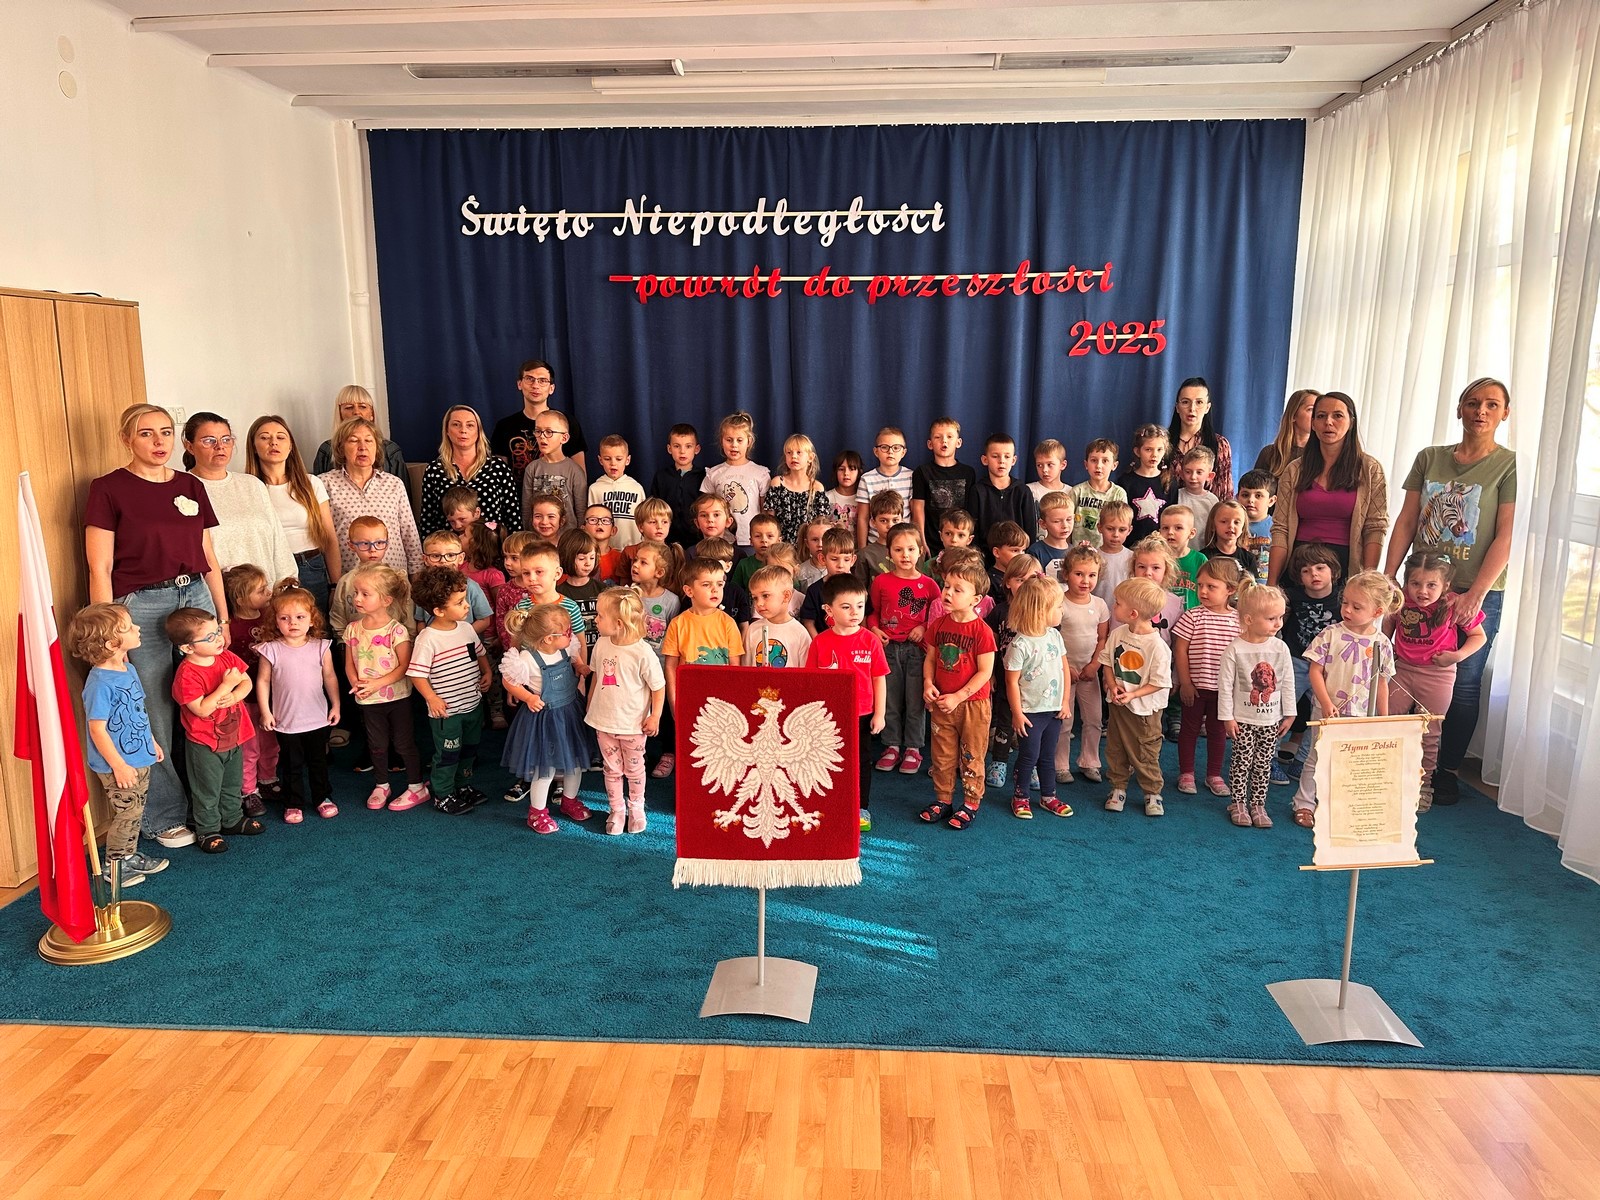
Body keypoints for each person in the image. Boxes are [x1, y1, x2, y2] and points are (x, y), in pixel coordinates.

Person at [85, 403, 230, 851]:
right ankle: (163, 815)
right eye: (146, 433)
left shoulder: (189, 485)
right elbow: (100, 566)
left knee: (209, 692)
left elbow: (208, 556)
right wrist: (109, 630)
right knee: (152, 709)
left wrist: (223, 615)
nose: (158, 441)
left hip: (195, 595)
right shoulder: (108, 488)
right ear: (126, 439)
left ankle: (214, 804)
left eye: (166, 432)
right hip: (140, 606)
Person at [1382, 376, 1516, 805]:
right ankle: (1393, 762)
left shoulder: (1509, 465)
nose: (1481, 411)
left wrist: (1476, 593)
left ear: (1504, 413)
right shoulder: (1430, 458)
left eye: (1491, 405)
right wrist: (1389, 576)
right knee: (1401, 668)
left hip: (1475, 588)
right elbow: (1407, 519)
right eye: (1473, 403)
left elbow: (1506, 534)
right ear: (1459, 409)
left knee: (1465, 681)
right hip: (1421, 582)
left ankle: (1446, 770)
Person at [67, 603, 168, 886]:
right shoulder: (99, 683)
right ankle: (115, 864)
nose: (137, 628)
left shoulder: (128, 669)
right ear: (112, 643)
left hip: (139, 756)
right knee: (128, 813)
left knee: (136, 810)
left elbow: (138, 711)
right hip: (118, 764)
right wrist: (119, 765)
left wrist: (151, 741)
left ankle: (129, 854)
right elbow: (97, 729)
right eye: (129, 627)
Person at [1291, 571, 1401, 827]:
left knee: (1349, 764)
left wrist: (1383, 718)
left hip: (1361, 715)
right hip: (1327, 710)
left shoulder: (1382, 643)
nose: (1347, 610)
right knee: (1316, 757)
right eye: (1345, 603)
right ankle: (1304, 803)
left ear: (1377, 611)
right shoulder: (1330, 634)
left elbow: (1381, 682)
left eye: (1356, 606)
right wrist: (1325, 703)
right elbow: (1315, 671)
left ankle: (1336, 807)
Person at [1386, 553, 1487, 811]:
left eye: (1431, 585)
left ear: (1445, 586)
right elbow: (1387, 628)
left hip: (1438, 676)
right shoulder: (1400, 601)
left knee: (1429, 733)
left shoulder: (1454, 605)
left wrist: (1457, 656)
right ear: (1406, 583)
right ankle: (1388, 777)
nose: (1422, 591)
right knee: (1388, 721)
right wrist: (1386, 651)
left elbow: (1479, 637)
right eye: (1415, 583)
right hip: (1402, 670)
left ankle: (1423, 785)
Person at [1268, 391, 1388, 586]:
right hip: (1299, 566)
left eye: (1337, 416)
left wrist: (1369, 580)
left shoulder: (1370, 469)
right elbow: (1281, 528)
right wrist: (1272, 583)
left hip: (1347, 567)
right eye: (1321, 416)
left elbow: (1375, 527)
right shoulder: (1294, 470)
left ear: (1351, 422)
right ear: (1313, 423)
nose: (1328, 422)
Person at [167, 607, 261, 854]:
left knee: (232, 783)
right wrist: (226, 687)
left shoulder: (226, 657)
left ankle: (232, 819)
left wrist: (235, 696)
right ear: (187, 648)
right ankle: (207, 829)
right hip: (204, 743)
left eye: (217, 631)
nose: (218, 638)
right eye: (209, 637)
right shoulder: (187, 674)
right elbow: (200, 709)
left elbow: (246, 681)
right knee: (206, 790)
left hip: (235, 736)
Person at [805, 573, 889, 832]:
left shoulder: (870, 640)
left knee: (861, 761)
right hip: (829, 716)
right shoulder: (820, 642)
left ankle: (861, 807)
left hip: (862, 713)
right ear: (829, 610)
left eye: (860, 606)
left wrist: (880, 714)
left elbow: (879, 679)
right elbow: (811, 682)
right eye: (846, 607)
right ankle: (831, 803)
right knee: (829, 760)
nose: (855, 613)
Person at [343, 563, 429, 813]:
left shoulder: (396, 630)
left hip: (397, 698)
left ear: (386, 600)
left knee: (404, 744)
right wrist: (356, 684)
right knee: (377, 745)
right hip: (368, 700)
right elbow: (349, 664)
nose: (357, 598)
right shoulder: (352, 629)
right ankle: (381, 784)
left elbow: (405, 666)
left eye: (365, 594)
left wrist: (377, 684)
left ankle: (416, 786)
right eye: (356, 593)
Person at [920, 556, 997, 830]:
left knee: (971, 755)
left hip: (972, 705)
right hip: (943, 703)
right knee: (942, 755)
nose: (948, 593)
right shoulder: (939, 625)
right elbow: (931, 658)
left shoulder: (982, 632)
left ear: (976, 599)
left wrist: (958, 696)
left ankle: (970, 803)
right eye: (947, 586)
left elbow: (984, 672)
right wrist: (928, 683)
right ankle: (943, 799)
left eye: (957, 589)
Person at [409, 567, 493, 817]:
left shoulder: (466, 629)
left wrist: (487, 672)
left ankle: (462, 785)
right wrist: (431, 698)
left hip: (472, 705)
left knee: (469, 750)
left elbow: (479, 653)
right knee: (448, 754)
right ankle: (443, 794)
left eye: (464, 599)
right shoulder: (428, 638)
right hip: (447, 713)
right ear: (438, 611)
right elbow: (417, 674)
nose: (467, 605)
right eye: (459, 602)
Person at [501, 602, 592, 834]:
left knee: (575, 763)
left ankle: (569, 800)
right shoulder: (527, 659)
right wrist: (527, 697)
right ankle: (537, 812)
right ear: (549, 639)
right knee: (546, 769)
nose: (571, 634)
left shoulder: (566, 648)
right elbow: (508, 681)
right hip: (545, 720)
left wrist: (581, 666)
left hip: (570, 714)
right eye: (567, 631)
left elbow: (575, 660)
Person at [255, 585, 340, 825]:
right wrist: (265, 712)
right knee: (291, 765)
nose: (293, 623)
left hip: (317, 719)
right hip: (286, 721)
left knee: (318, 762)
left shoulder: (321, 647)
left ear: (312, 620)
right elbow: (262, 681)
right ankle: (293, 802)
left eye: (300, 617)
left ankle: (322, 797)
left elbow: (330, 677)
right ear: (276, 621)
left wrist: (336, 705)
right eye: (285, 618)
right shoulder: (270, 650)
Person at [585, 589, 666, 835]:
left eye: (600, 616)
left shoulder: (642, 652)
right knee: (611, 769)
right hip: (604, 722)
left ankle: (637, 807)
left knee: (634, 770)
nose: (595, 620)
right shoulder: (601, 644)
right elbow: (597, 675)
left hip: (633, 725)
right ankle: (617, 809)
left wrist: (655, 716)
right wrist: (590, 702)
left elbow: (658, 686)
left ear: (618, 623)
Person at [1216, 582, 1296, 828]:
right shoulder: (1235, 649)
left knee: (1263, 763)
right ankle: (1238, 802)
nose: (1278, 623)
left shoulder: (1280, 648)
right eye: (1272, 618)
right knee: (1241, 762)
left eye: (1281, 617)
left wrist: (1290, 713)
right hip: (1242, 720)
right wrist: (1227, 717)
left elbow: (1287, 681)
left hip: (1270, 720)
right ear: (1249, 619)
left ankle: (1258, 804)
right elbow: (1225, 686)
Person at [183, 413, 296, 582]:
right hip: (217, 593)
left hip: (266, 591)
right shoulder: (183, 489)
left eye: (226, 439)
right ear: (189, 446)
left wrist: (287, 583)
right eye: (209, 440)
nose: (219, 446)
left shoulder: (252, 484)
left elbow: (277, 541)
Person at [246, 415, 341, 616]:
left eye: (280, 437)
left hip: (311, 567)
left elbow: (330, 538)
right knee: (277, 629)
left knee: (317, 628)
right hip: (269, 571)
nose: (273, 442)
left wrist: (335, 585)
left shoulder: (311, 483)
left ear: (290, 446)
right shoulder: (248, 489)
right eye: (265, 437)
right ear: (253, 446)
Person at [868, 523, 939, 776]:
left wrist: (923, 626)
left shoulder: (929, 585)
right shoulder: (881, 582)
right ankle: (891, 745)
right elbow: (873, 613)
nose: (905, 555)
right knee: (890, 699)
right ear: (889, 553)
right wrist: (874, 629)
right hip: (888, 649)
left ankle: (913, 748)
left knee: (915, 701)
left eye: (910, 549)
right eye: (898, 549)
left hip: (917, 651)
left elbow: (937, 617)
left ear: (920, 551)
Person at [1100, 577, 1174, 818]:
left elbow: (1159, 682)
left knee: (1145, 751)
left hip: (1145, 711)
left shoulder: (1158, 646)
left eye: (1117, 603)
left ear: (1133, 613)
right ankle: (1118, 787)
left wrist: (1132, 695)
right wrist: (1113, 686)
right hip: (1119, 705)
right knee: (1116, 747)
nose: (1113, 606)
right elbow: (1107, 663)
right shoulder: (1118, 634)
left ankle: (1152, 792)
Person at [1173, 558, 1245, 797]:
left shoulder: (1239, 621)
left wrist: (1236, 690)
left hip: (1224, 691)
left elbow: (1242, 656)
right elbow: (1180, 650)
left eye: (1211, 586)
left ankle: (1214, 774)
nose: (1203, 591)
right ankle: (1187, 772)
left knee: (1217, 731)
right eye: (1200, 585)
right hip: (1195, 687)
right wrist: (1185, 682)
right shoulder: (1192, 616)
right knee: (1189, 729)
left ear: (1230, 589)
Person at [321, 416, 424, 578]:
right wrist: (333, 583)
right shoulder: (324, 484)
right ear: (341, 448)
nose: (362, 447)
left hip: (394, 578)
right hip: (350, 579)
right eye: (354, 441)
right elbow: (322, 537)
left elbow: (409, 534)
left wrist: (416, 576)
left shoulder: (393, 484)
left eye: (369, 441)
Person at [1004, 577, 1072, 821]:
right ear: (1041, 611)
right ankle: (1020, 796)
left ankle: (1048, 796)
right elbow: (1011, 682)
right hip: (1030, 712)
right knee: (1028, 756)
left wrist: (1065, 701)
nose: (1062, 610)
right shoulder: (1019, 645)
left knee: (1047, 755)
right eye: (1058, 606)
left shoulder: (1055, 636)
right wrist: (1017, 713)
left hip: (1053, 710)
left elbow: (1064, 670)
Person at [222, 565, 278, 817]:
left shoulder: (270, 616)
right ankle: (248, 791)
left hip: (269, 692)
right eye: (260, 590)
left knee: (270, 740)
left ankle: (268, 779)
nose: (268, 593)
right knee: (249, 745)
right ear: (241, 599)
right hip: (243, 696)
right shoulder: (230, 626)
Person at [418, 404, 521, 537]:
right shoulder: (434, 470)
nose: (463, 430)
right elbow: (428, 521)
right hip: (450, 548)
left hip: (491, 547)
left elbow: (513, 518)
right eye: (456, 425)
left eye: (470, 425)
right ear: (447, 430)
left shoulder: (497, 468)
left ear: (478, 431)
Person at [1056, 545, 1109, 785]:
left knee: (1094, 719)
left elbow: (1102, 638)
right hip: (1064, 672)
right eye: (1079, 574)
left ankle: (1090, 761)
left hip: (1089, 673)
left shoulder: (1099, 605)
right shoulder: (1059, 603)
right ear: (1066, 574)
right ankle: (1060, 765)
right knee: (1064, 722)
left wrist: (1095, 665)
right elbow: (1053, 638)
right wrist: (1066, 667)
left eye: (1092, 575)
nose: (1085, 580)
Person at [491, 359, 587, 476]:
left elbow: (580, 474)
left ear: (551, 388)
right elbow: (500, 475)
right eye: (529, 379)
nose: (535, 385)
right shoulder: (504, 426)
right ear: (519, 384)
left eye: (542, 381)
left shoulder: (567, 422)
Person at [703, 411, 771, 548]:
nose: (734, 445)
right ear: (722, 441)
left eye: (739, 440)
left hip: (752, 540)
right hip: (721, 541)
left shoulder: (760, 473)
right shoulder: (714, 473)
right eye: (729, 440)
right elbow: (706, 507)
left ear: (749, 442)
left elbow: (765, 512)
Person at [310, 385, 406, 479]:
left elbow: (403, 487)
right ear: (339, 413)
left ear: (372, 413)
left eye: (362, 407)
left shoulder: (390, 450)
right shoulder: (326, 450)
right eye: (349, 407)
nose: (356, 412)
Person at [912, 417, 976, 555]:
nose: (944, 441)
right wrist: (921, 541)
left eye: (949, 437)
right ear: (930, 444)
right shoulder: (922, 472)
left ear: (958, 442)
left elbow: (970, 512)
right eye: (938, 437)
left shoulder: (968, 472)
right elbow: (918, 508)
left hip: (960, 543)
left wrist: (966, 542)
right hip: (931, 543)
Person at [969, 433, 1038, 560]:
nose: (1001, 461)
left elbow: (1030, 530)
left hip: (1017, 560)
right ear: (985, 460)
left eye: (1007, 456)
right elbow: (973, 530)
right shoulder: (977, 491)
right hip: (985, 560)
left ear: (1013, 460)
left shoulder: (1022, 491)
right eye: (995, 456)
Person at [1165, 376, 1233, 499]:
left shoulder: (1220, 444)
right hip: (1168, 510)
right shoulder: (1162, 443)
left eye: (1199, 402)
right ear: (1177, 407)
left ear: (1207, 407)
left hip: (1208, 510)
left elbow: (1225, 494)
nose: (1192, 408)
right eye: (1185, 402)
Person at [521, 409, 588, 532]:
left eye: (549, 432)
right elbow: (526, 508)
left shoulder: (575, 470)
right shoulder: (532, 468)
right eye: (538, 431)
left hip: (567, 538)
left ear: (564, 438)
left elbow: (581, 510)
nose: (542, 436)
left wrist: (578, 537)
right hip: (538, 538)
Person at [763, 433, 831, 545]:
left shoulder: (817, 488)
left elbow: (821, 524)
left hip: (808, 546)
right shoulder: (778, 483)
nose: (793, 456)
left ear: (810, 457)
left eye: (799, 452)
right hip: (782, 546)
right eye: (789, 453)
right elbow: (770, 520)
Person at [744, 563, 813, 669]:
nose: (759, 603)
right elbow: (745, 668)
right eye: (755, 598)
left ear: (786, 596)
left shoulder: (800, 633)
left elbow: (806, 672)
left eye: (765, 596)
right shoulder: (753, 629)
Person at [855, 426, 914, 549]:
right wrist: (862, 550)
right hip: (875, 544)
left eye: (896, 448)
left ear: (903, 452)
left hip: (904, 544)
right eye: (884, 447)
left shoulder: (911, 476)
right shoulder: (867, 479)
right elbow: (863, 518)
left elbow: (915, 514)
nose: (890, 452)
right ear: (876, 451)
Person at [647, 423, 705, 549]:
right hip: (666, 540)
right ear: (669, 449)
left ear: (696, 449)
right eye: (677, 446)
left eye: (688, 446)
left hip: (697, 540)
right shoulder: (662, 476)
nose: (682, 451)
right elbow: (654, 507)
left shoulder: (704, 476)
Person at [588, 435, 647, 549]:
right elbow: (591, 521)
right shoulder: (595, 489)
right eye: (607, 459)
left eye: (619, 459)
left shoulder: (636, 488)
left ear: (627, 460)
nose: (613, 463)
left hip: (633, 548)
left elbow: (644, 519)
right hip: (603, 550)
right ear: (600, 460)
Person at [1117, 423, 1172, 544]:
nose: (1154, 455)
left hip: (1160, 546)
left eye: (1159, 449)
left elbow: (1172, 517)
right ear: (1137, 451)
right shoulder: (1126, 482)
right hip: (1131, 545)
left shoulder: (1169, 482)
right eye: (1148, 449)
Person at [1252, 388, 1319, 482]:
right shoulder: (1269, 454)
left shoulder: (1323, 456)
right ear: (1293, 415)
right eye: (1311, 409)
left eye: (1320, 411)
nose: (1316, 415)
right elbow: (1254, 488)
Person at [1071, 438, 1127, 548]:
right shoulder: (1077, 491)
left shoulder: (1118, 494)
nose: (1098, 466)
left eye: (1105, 461)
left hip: (1106, 551)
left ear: (1114, 465)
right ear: (1086, 464)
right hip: (1078, 551)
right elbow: (1068, 522)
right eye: (1094, 460)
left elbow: (1121, 526)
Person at [825, 450, 863, 528]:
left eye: (851, 469)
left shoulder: (863, 499)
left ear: (859, 472)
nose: (846, 473)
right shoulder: (826, 498)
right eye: (841, 469)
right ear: (835, 472)